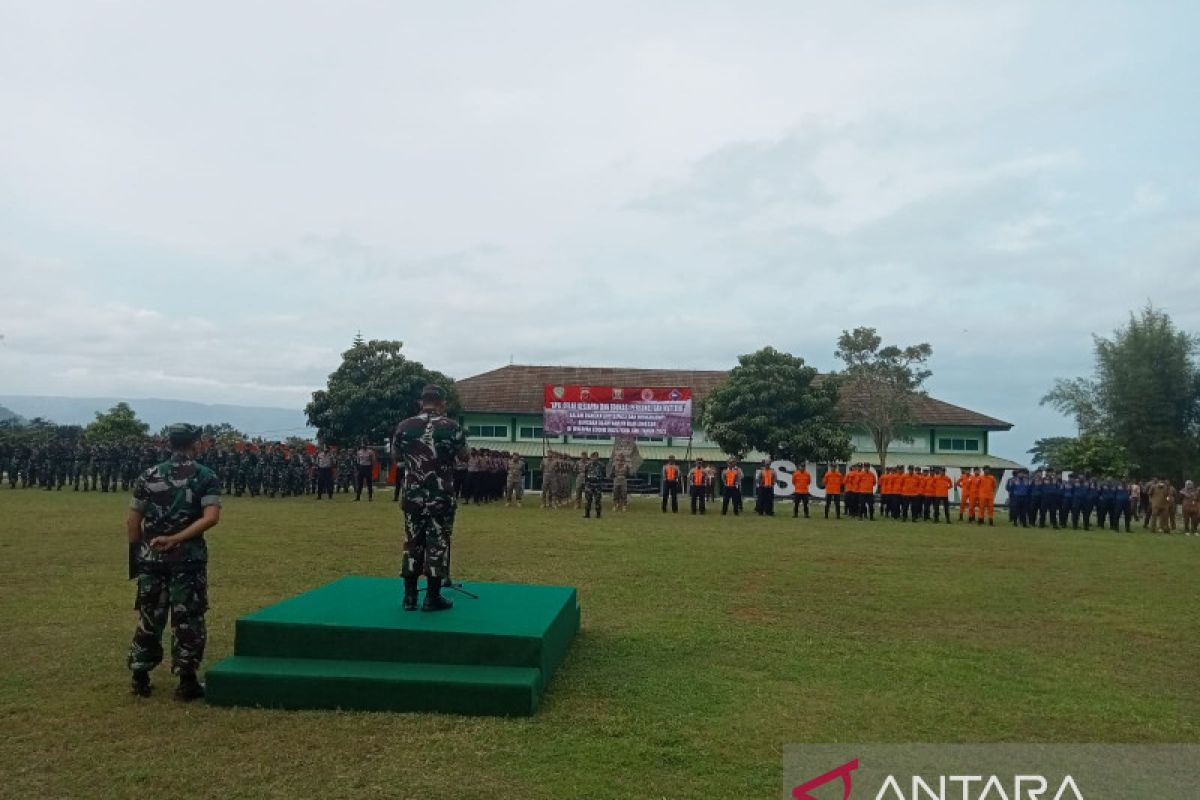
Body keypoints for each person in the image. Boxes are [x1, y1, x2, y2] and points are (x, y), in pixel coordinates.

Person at [126, 423, 221, 701]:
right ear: (195, 443)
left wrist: (141, 551)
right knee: (188, 618)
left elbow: (133, 520)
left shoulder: (149, 474)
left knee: (149, 617)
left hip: (152, 558)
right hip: (187, 560)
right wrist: (178, 539)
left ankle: (140, 677)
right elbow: (211, 517)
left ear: (170, 443)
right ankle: (187, 681)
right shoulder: (205, 476)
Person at [393, 386, 468, 612]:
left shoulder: (404, 426)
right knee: (438, 544)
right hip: (440, 496)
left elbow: (396, 456)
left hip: (413, 496)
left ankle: (409, 597)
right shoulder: (451, 427)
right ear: (442, 403)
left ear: (420, 402)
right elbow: (465, 455)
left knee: (412, 542)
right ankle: (432, 598)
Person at [583, 451, 604, 519]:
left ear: (598, 457)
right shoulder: (588, 465)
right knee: (588, 500)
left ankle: (598, 514)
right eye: (593, 457)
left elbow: (603, 473)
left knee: (597, 500)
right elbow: (585, 473)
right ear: (591, 457)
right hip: (589, 485)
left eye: (596, 457)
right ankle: (587, 514)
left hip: (597, 485)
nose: (594, 458)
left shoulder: (601, 465)